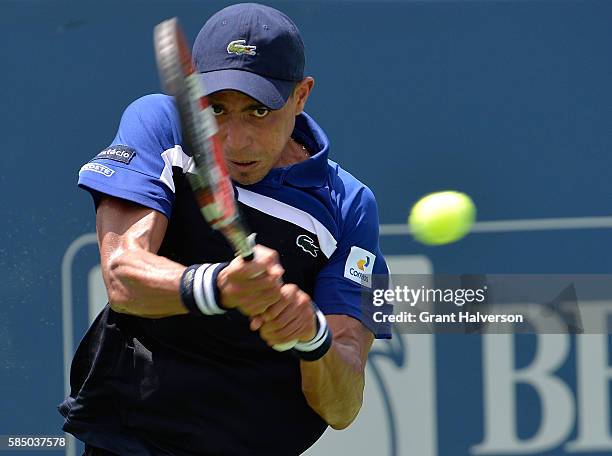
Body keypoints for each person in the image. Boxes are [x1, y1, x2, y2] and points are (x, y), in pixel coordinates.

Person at [59, 3, 390, 455]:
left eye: (258, 111)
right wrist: (219, 286)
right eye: (216, 108)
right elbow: (123, 276)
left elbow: (343, 405)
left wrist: (312, 335)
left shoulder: (350, 207)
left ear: (301, 95)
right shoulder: (160, 124)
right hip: (135, 440)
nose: (236, 141)